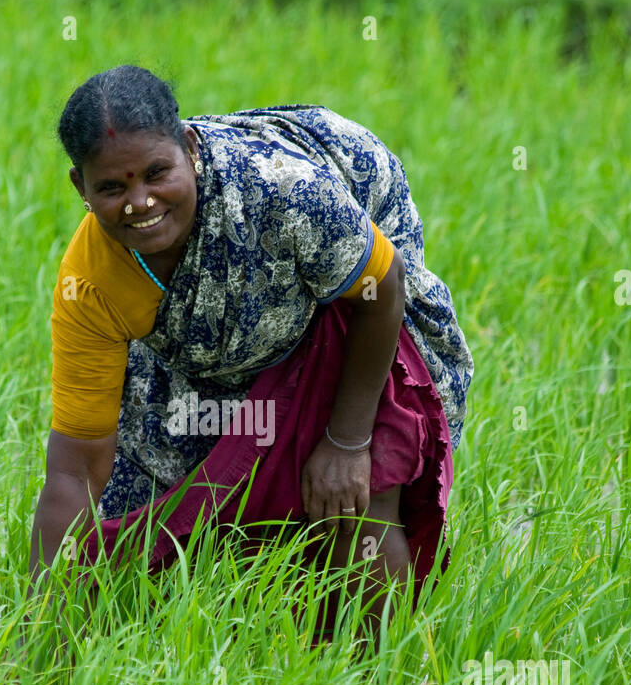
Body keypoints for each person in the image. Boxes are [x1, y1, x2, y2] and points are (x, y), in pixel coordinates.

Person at [29, 65, 473, 644]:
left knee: (356, 493)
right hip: (221, 350)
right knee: (141, 532)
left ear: (189, 147)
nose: (140, 202)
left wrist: (347, 442)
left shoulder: (284, 192)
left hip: (353, 304)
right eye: (113, 188)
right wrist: (38, 627)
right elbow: (74, 469)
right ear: (80, 189)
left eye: (158, 173)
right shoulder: (90, 284)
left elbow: (379, 291)